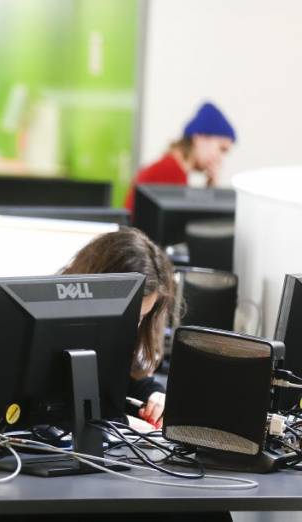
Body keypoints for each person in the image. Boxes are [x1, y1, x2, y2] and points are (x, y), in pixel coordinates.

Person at [62, 227, 175, 430]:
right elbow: (60, 406)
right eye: (127, 317)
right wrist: (122, 422)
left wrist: (153, 394)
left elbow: (131, 373)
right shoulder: (56, 324)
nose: (133, 328)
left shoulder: (135, 330)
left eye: (140, 317)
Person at [125, 102, 236, 212]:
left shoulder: (172, 167)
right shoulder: (170, 172)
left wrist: (211, 188)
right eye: (221, 149)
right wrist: (213, 193)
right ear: (200, 137)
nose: (220, 158)